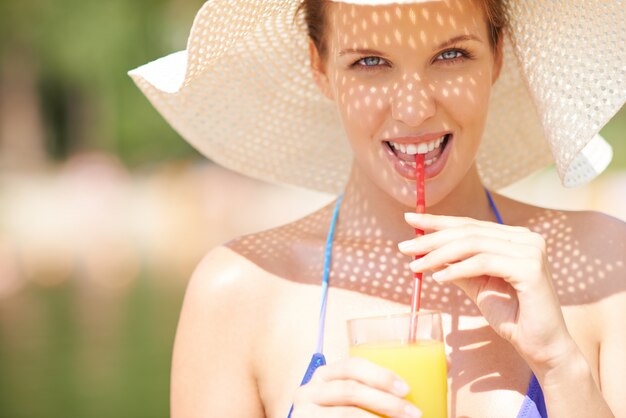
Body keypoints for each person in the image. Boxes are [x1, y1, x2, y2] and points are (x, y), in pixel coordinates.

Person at [129, 0, 626, 416]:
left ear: (497, 55)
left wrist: (562, 367)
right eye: (370, 62)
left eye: (451, 54)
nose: (413, 109)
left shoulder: (606, 267)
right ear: (319, 66)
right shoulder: (237, 292)